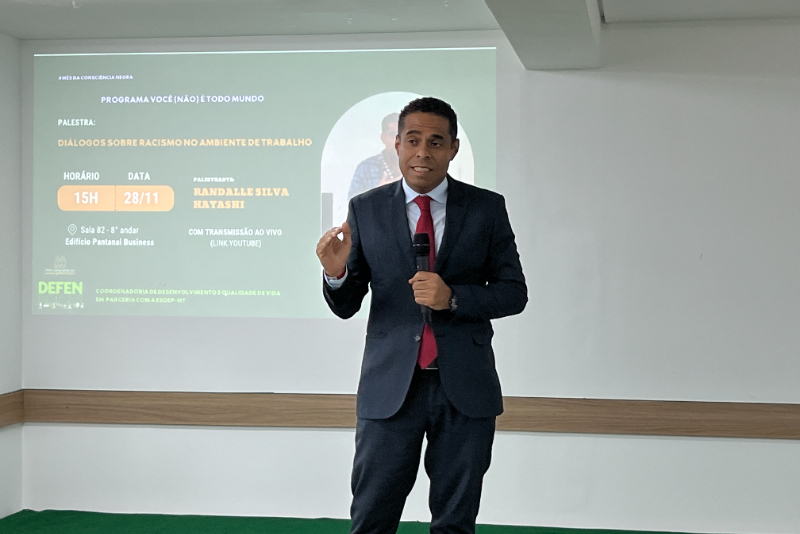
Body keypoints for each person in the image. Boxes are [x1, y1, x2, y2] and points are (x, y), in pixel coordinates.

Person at [316, 97, 527, 534]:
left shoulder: (486, 209)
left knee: (455, 523)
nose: (422, 152)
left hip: (464, 388)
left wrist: (453, 298)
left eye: (436, 142)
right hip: (390, 388)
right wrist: (336, 274)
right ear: (396, 145)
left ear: (453, 148)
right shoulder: (366, 209)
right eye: (412, 140)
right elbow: (346, 305)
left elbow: (513, 293)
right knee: (372, 518)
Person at [347, 113, 402, 200]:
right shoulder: (366, 168)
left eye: (404, 135)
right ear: (383, 138)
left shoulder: (417, 166)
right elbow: (352, 204)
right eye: (393, 135)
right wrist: (378, 193)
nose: (399, 140)